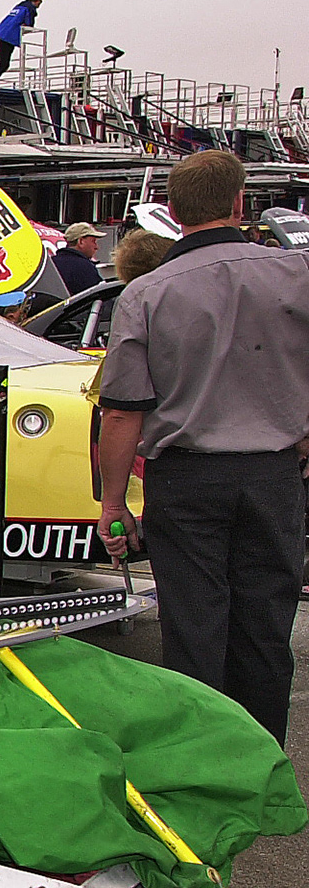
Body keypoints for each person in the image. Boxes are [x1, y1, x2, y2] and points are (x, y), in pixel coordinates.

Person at [97, 150, 309, 745]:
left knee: (193, 629)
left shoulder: (147, 293)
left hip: (187, 482)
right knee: (266, 628)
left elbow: (121, 411)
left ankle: (200, 764)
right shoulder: (295, 274)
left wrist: (114, 502)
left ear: (171, 211)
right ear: (240, 204)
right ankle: (259, 760)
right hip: (272, 474)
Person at [0, 0, 40, 82]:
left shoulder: (18, 7)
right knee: (4, 64)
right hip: (8, 38)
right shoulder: (29, 8)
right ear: (36, 2)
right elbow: (29, 24)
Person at [55, 222, 104, 294]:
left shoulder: (52, 263)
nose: (97, 247)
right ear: (81, 242)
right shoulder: (85, 267)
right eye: (93, 241)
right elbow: (98, 296)